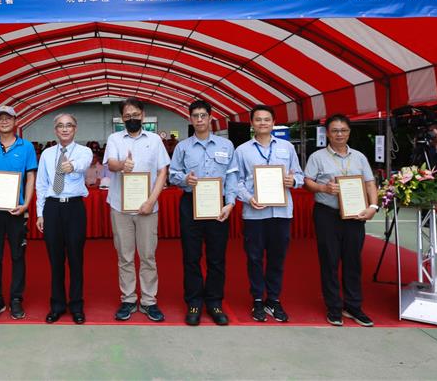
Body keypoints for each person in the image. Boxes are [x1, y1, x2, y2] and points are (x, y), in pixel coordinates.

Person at [303, 114, 378, 327]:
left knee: (353, 261)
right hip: (327, 213)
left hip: (355, 215)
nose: (339, 134)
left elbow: (370, 183)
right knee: (330, 260)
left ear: (349, 132)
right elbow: (307, 182)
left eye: (343, 130)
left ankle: (353, 306)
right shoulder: (317, 157)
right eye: (335, 130)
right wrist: (323, 188)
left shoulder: (360, 157)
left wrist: (372, 207)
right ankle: (334, 307)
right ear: (327, 133)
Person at [169, 100, 238, 326]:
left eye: (203, 115)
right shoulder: (182, 147)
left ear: (210, 118)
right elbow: (173, 174)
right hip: (191, 203)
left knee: (217, 257)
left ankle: (214, 302)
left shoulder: (226, 145)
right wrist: (184, 179)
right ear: (191, 119)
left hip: (218, 205)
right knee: (191, 256)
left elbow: (232, 177)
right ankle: (194, 302)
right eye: (195, 116)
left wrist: (230, 203)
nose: (199, 119)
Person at [234, 104, 303, 323]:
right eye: (258, 119)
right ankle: (257, 299)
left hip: (281, 213)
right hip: (254, 213)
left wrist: (294, 181)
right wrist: (248, 198)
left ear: (273, 123)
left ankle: (273, 299)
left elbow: (299, 175)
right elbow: (235, 182)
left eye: (267, 119)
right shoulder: (242, 150)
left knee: (277, 258)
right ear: (252, 123)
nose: (263, 123)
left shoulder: (287, 148)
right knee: (254, 258)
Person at [103, 98, 170, 322]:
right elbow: (111, 163)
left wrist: (151, 200)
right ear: (122, 118)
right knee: (125, 256)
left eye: (135, 114)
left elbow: (162, 172)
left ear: (143, 114)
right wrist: (123, 165)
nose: (131, 118)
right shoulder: (114, 138)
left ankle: (149, 301)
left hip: (147, 208)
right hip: (120, 208)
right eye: (127, 115)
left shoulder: (155, 140)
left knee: (148, 256)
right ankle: (128, 299)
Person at [0, 106, 37, 321]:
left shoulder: (26, 146)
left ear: (15, 121)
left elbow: (30, 177)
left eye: (8, 118)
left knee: (18, 255)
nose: (4, 121)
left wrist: (26, 204)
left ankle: (16, 298)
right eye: (0, 118)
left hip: (16, 210)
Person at [35, 113, 93, 324]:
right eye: (61, 126)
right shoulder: (47, 154)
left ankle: (76, 305)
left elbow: (84, 164)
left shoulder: (84, 151)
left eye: (69, 125)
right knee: (55, 260)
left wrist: (72, 166)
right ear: (55, 130)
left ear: (75, 128)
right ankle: (57, 305)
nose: (65, 129)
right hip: (52, 208)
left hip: (74, 208)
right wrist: (40, 213)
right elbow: (41, 185)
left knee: (76, 259)